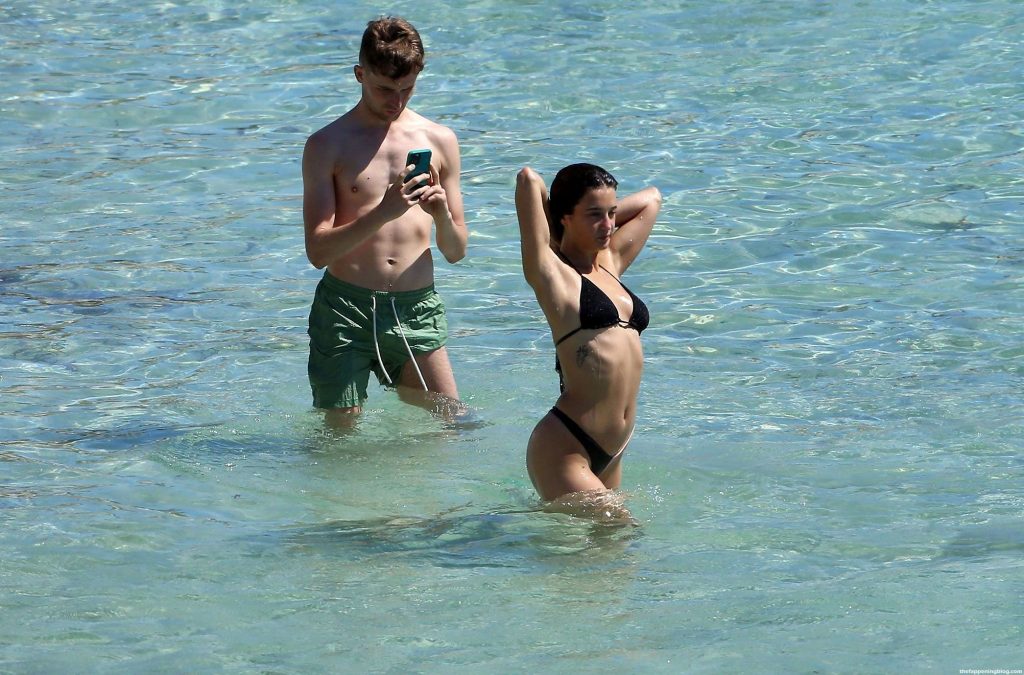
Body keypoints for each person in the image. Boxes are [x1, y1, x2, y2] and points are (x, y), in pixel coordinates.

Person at [302, 16, 468, 426]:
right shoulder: (326, 144)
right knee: (339, 435)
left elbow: (456, 251)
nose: (396, 101)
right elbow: (318, 252)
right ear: (360, 74)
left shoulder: (440, 140)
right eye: (384, 89)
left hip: (415, 308)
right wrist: (384, 212)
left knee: (453, 420)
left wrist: (441, 215)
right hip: (345, 310)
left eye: (407, 89)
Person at [515, 163, 661, 511]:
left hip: (613, 451)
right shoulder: (552, 273)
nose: (608, 225)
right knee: (620, 529)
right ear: (564, 216)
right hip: (566, 445)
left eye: (612, 213)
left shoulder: (610, 262)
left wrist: (599, 211)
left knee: (601, 547)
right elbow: (528, 179)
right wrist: (553, 229)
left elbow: (652, 199)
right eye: (594, 215)